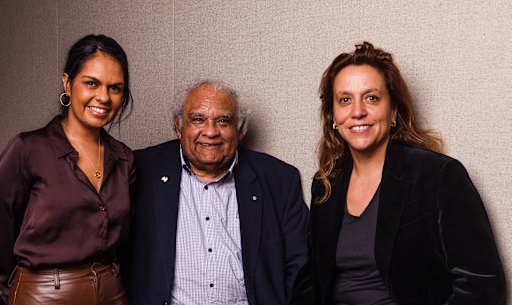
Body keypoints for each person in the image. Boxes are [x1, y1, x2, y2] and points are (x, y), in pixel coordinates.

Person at [291, 42, 506, 305]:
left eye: (371, 98)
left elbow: (482, 284)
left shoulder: (438, 175)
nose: (357, 111)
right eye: (345, 100)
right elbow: (312, 280)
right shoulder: (326, 183)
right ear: (333, 117)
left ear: (392, 111)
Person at [124, 79, 309, 305]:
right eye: (198, 120)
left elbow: (301, 267)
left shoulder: (279, 179)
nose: (210, 132)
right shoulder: (140, 169)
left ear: (239, 130)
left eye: (223, 121)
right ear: (178, 127)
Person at [0, 34, 135, 305]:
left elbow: (126, 242)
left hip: (112, 293)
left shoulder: (124, 158)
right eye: (91, 83)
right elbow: (0, 237)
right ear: (67, 83)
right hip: (42, 296)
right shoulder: (27, 149)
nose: (103, 97)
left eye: (115, 88)